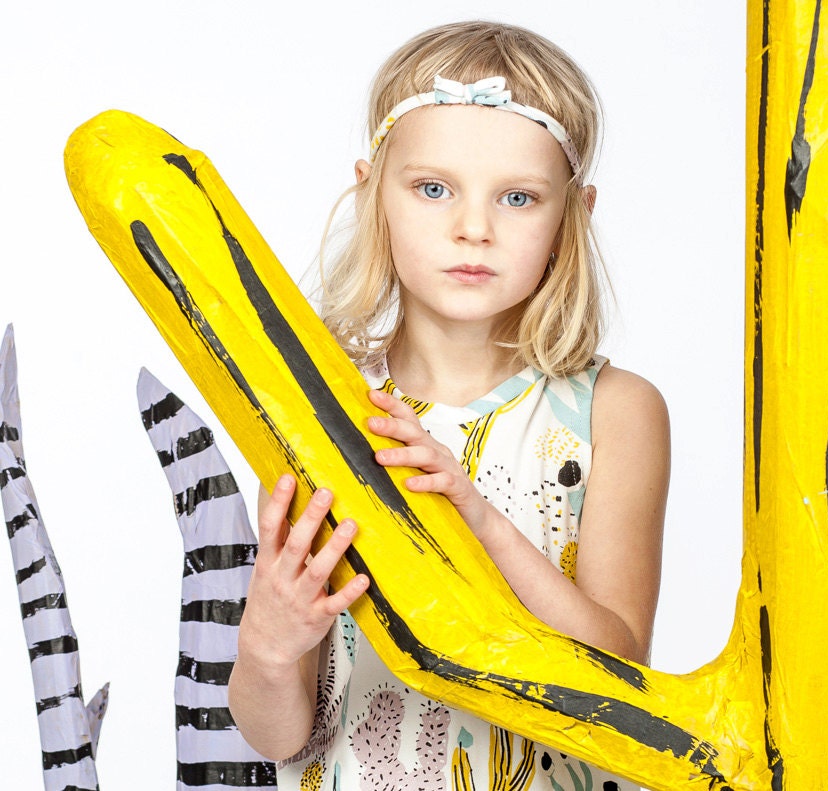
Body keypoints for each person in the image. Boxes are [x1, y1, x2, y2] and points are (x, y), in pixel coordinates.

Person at [229, 20, 669, 790]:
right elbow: (280, 733)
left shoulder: (614, 411)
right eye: (433, 189)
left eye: (519, 197)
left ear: (573, 214)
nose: (474, 227)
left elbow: (619, 670)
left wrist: (474, 517)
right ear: (374, 193)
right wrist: (270, 644)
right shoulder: (316, 405)